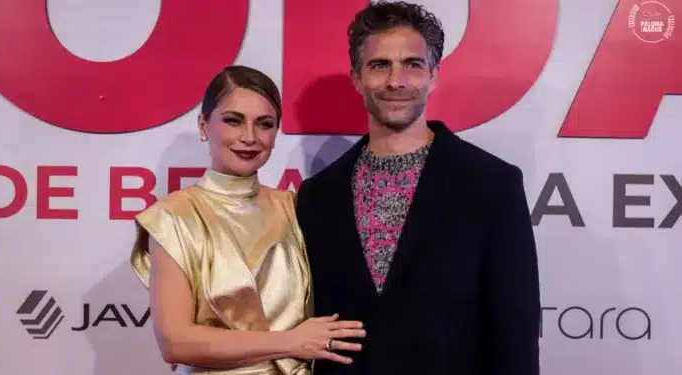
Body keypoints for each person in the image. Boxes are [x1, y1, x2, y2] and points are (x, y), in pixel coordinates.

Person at [295, 2, 541, 375]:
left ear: (433, 76)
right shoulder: (317, 196)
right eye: (380, 65)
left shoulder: (492, 185)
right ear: (357, 79)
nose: (396, 81)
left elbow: (515, 333)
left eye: (412, 64)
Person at [130, 65, 366, 375]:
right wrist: (291, 342)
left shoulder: (294, 207)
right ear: (204, 125)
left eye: (264, 124)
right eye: (233, 121)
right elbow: (175, 342)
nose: (249, 137)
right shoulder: (173, 217)